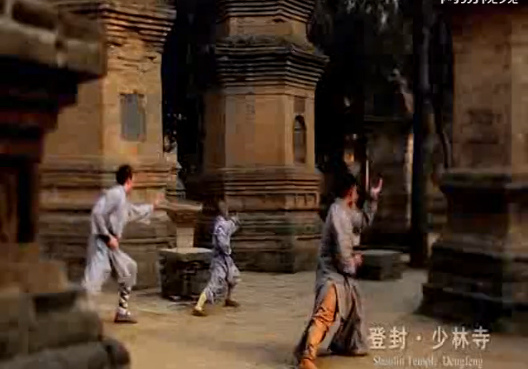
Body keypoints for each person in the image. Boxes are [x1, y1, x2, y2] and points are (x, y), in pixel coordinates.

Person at [294, 172, 383, 369]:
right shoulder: (338, 213)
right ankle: (307, 358)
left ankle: (344, 344)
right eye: (357, 192)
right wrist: (353, 261)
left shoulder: (345, 210)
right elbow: (342, 251)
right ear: (351, 192)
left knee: (354, 309)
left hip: (341, 274)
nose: (358, 196)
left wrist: (373, 198)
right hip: (332, 274)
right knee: (325, 314)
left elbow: (362, 221)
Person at [83, 164, 161, 324]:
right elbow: (97, 213)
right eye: (134, 178)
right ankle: (79, 314)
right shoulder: (115, 194)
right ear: (129, 179)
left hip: (111, 246)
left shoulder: (122, 198)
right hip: (101, 243)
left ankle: (122, 311)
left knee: (129, 269)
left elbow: (131, 212)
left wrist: (152, 206)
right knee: (93, 280)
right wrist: (106, 237)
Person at [193, 199, 241, 317]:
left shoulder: (224, 222)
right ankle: (198, 306)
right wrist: (226, 249)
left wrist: (235, 220)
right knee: (215, 283)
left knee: (234, 277)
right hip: (220, 258)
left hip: (226, 258)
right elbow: (221, 240)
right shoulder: (220, 225)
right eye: (224, 208)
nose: (226, 210)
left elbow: (231, 226)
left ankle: (228, 298)